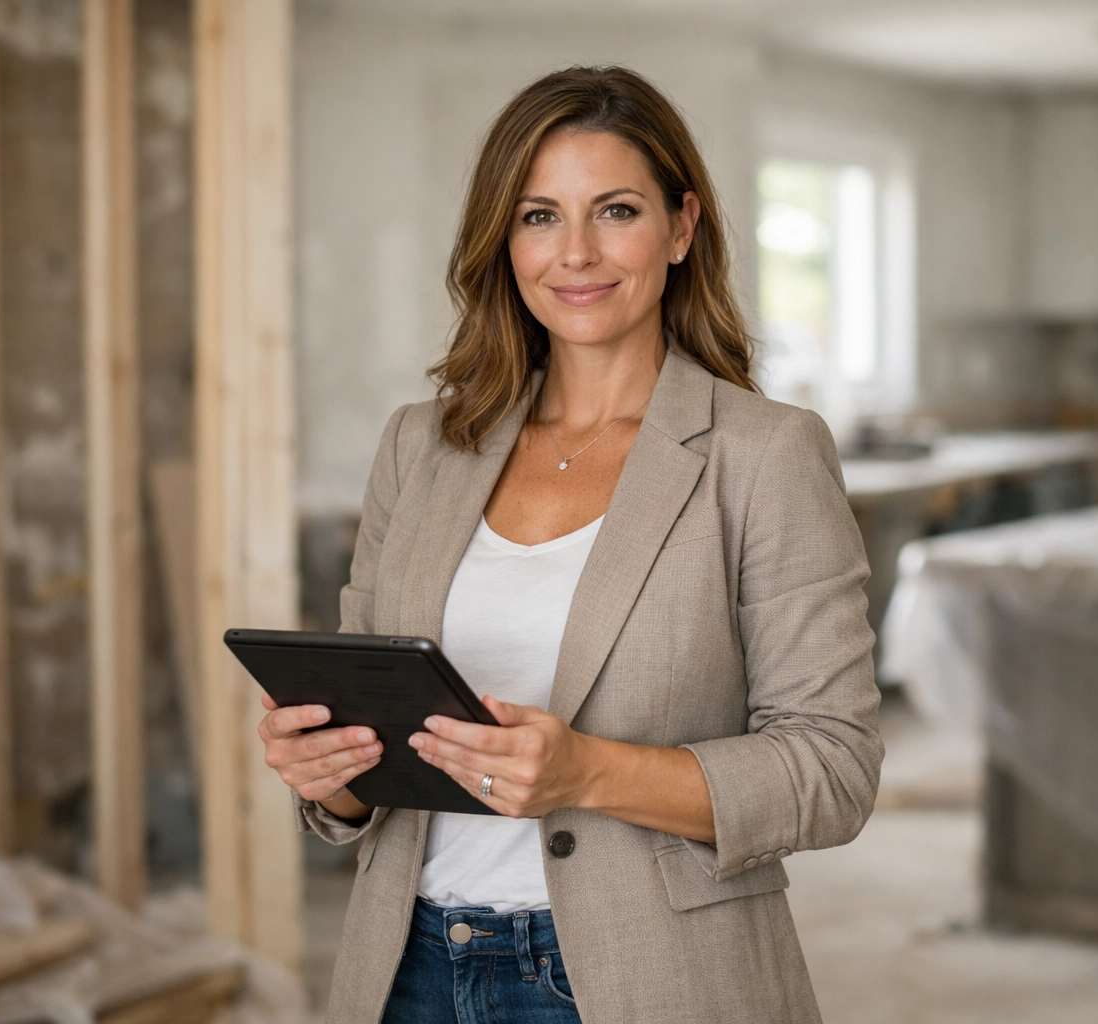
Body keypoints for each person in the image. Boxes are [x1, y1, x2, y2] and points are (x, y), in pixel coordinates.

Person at [257, 65, 882, 1024]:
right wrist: (331, 776)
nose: (576, 252)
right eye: (539, 216)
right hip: (408, 971)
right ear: (503, 241)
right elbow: (372, 758)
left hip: (649, 980)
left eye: (616, 211)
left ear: (681, 226)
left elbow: (833, 771)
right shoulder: (419, 446)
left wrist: (587, 771)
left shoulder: (764, 454)